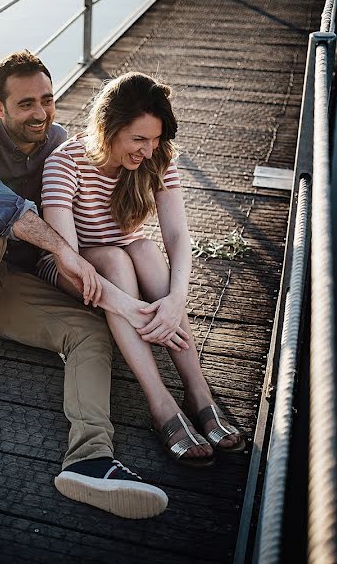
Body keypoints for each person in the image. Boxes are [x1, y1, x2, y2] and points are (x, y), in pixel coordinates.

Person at [0, 51, 168, 518]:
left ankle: (91, 459)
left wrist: (114, 263)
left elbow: (83, 195)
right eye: (26, 103)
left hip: (7, 285)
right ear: (0, 106)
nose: (40, 112)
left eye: (47, 100)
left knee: (89, 333)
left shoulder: (56, 142)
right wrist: (65, 253)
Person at [37, 71, 245, 467]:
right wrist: (132, 307)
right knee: (116, 259)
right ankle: (161, 404)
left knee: (147, 249)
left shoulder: (157, 157)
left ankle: (198, 390)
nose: (149, 151)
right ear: (107, 129)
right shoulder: (65, 164)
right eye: (139, 139)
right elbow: (69, 257)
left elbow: (178, 238)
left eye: (155, 139)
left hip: (123, 257)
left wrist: (174, 301)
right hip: (68, 267)